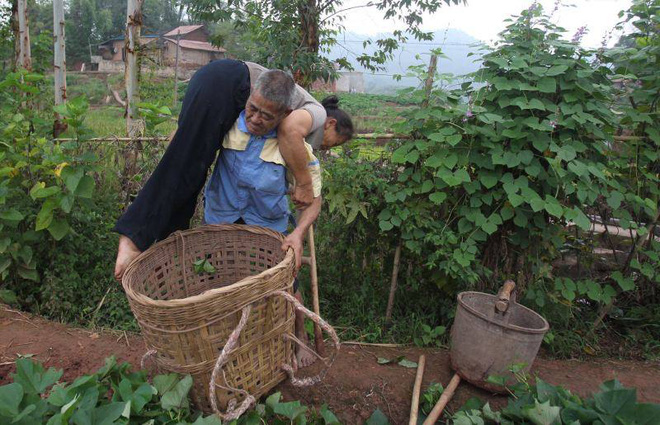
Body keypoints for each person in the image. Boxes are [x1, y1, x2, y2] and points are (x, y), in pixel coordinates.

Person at [113, 60, 348, 281]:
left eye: (265, 115)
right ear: (330, 124)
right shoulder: (316, 113)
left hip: (213, 80)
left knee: (189, 175)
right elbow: (289, 130)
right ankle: (134, 238)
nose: (328, 147)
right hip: (225, 82)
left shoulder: (271, 111)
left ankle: (158, 251)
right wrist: (305, 184)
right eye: (334, 142)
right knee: (183, 169)